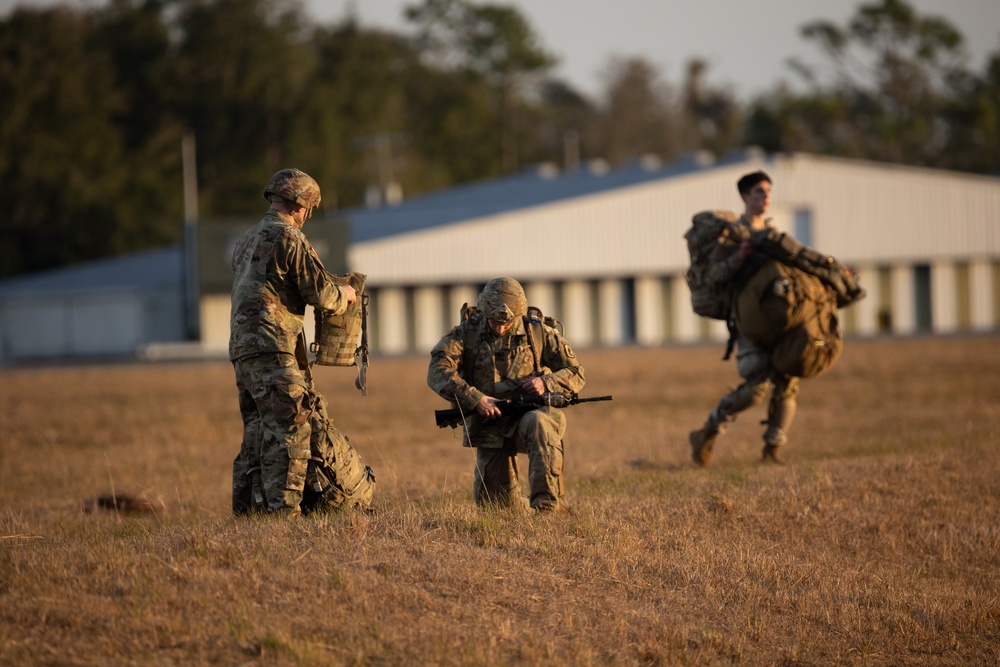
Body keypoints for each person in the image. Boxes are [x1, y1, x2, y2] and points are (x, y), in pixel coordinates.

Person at [229, 167, 359, 516]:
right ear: (301, 205)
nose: (307, 216)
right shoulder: (289, 238)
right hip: (274, 347)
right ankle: (282, 516)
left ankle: (247, 516)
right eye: (309, 209)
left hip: (243, 351)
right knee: (291, 429)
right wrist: (345, 294)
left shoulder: (245, 239)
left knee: (257, 433)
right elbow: (320, 292)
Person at [428, 277, 586, 511]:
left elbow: (576, 372)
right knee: (497, 509)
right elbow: (437, 371)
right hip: (488, 425)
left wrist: (547, 382)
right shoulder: (466, 334)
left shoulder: (537, 332)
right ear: (483, 312)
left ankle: (547, 509)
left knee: (539, 422)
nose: (500, 329)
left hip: (528, 418)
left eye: (507, 323)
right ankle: (527, 512)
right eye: (494, 322)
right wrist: (476, 399)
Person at [689, 171, 799, 466]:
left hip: (778, 318)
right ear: (745, 197)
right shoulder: (734, 235)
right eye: (759, 192)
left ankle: (772, 448)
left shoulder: (774, 233)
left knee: (788, 381)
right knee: (756, 387)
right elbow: (715, 274)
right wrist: (739, 256)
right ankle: (708, 431)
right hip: (749, 319)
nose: (765, 197)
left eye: (768, 191)